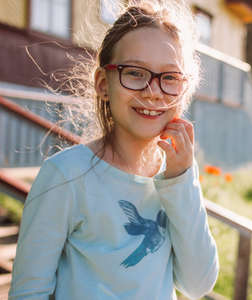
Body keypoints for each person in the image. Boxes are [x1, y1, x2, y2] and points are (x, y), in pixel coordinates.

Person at [8, 1, 219, 299]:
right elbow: (28, 292)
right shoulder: (65, 176)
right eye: (134, 72)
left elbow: (197, 284)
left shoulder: (175, 181)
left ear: (184, 91)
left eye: (170, 77)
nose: (153, 91)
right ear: (103, 83)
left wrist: (183, 179)